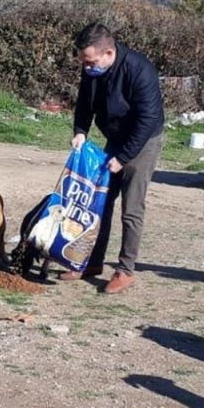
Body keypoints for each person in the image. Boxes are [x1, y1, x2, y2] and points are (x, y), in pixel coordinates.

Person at [62, 23, 165, 294]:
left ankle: (125, 270)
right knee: (100, 202)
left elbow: (148, 119)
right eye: (84, 62)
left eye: (92, 62)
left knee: (131, 208)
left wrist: (123, 157)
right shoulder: (91, 71)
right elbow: (84, 103)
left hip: (143, 142)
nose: (87, 67)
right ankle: (92, 262)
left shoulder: (140, 70)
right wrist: (81, 131)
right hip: (115, 138)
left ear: (108, 53)